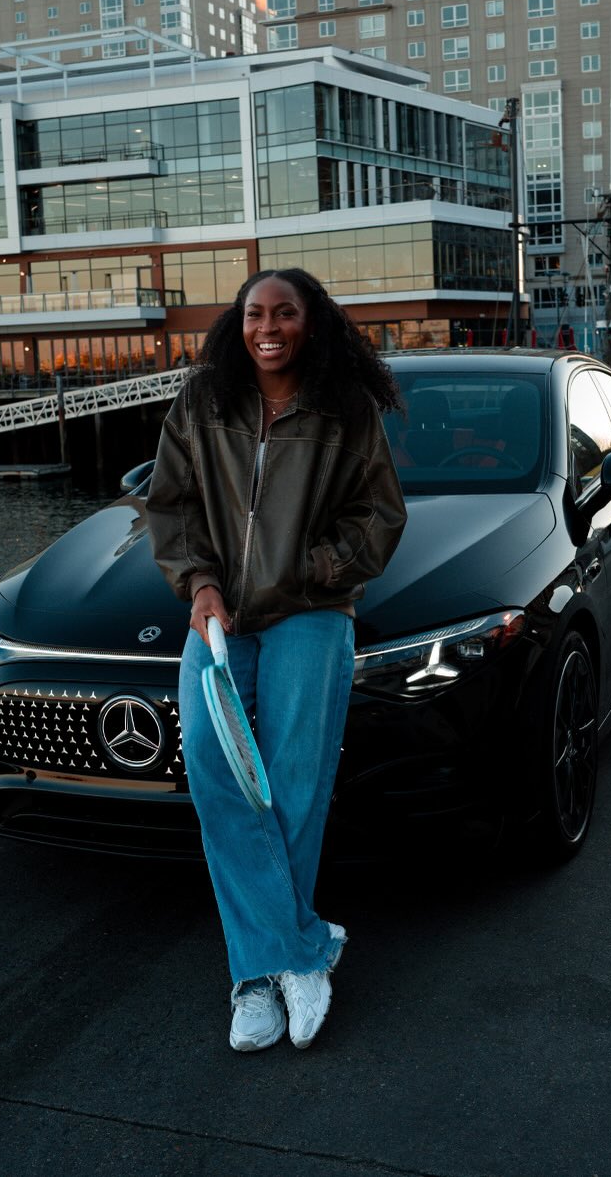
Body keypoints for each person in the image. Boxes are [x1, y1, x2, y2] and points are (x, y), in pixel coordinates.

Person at [144, 267, 407, 1052]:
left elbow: (380, 518)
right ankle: (297, 952)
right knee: (218, 778)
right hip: (218, 621)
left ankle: (257, 975)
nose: (268, 327)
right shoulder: (203, 400)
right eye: (255, 313)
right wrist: (198, 585)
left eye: (284, 314)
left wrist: (313, 570)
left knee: (294, 783)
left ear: (310, 323)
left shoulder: (345, 410)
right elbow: (172, 503)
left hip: (311, 615)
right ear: (239, 322)